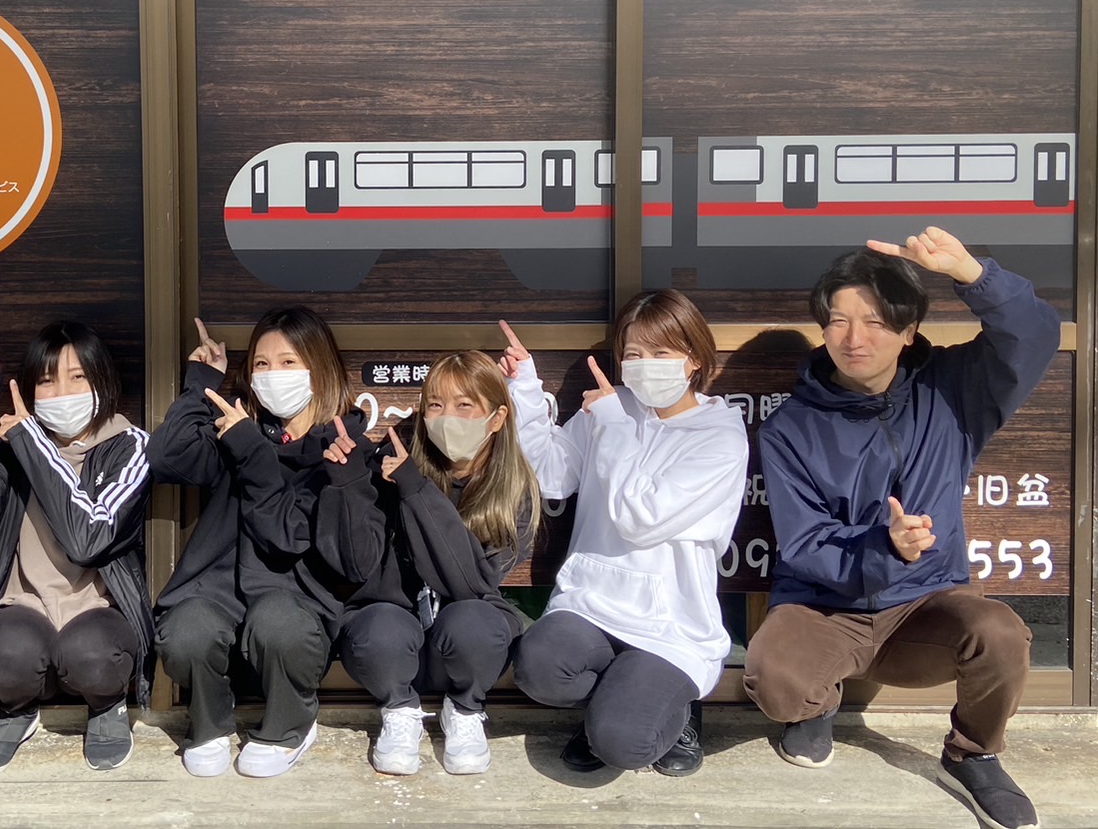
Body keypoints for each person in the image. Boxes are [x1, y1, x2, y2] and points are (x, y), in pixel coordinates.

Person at [744, 227, 1058, 829]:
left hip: (924, 605)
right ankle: (817, 703)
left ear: (908, 331)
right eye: (838, 321)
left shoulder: (954, 389)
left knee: (999, 634)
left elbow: (1036, 334)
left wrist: (974, 275)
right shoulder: (790, 428)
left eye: (875, 322)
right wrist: (882, 546)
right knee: (775, 679)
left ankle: (973, 754)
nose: (854, 338)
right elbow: (804, 543)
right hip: (825, 607)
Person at [504, 296, 748, 778]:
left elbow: (641, 518)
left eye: (661, 352)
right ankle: (621, 699)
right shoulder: (614, 408)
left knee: (623, 742)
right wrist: (525, 388)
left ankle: (667, 710)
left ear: (694, 359)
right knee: (538, 670)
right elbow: (552, 476)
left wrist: (614, 424)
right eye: (633, 353)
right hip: (592, 602)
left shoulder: (719, 437)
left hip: (669, 625)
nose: (644, 364)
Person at [149, 310, 383, 779]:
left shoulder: (340, 449)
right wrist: (201, 384)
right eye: (261, 364)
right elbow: (166, 456)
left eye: (288, 362)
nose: (273, 374)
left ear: (319, 369)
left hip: (293, 607)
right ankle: (210, 723)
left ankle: (288, 726)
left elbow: (289, 533)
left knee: (278, 623)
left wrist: (251, 450)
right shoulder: (237, 432)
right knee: (185, 631)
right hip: (221, 596)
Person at [0, 324, 153, 779]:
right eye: (47, 380)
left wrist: (32, 444)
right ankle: (18, 711)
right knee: (6, 656)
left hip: (98, 609)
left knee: (92, 657)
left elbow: (87, 539)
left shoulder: (130, 447)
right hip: (26, 603)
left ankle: (106, 706)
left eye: (78, 377)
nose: (62, 392)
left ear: (103, 380)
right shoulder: (18, 448)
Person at [333, 350, 539, 777]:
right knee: (378, 627)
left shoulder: (513, 489)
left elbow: (472, 583)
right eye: (436, 405)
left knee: (476, 622)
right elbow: (359, 566)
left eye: (464, 406)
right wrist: (351, 483)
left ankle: (464, 712)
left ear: (497, 418)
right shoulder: (390, 468)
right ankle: (399, 711)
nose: (447, 418)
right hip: (394, 648)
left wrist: (417, 491)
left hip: (463, 653)